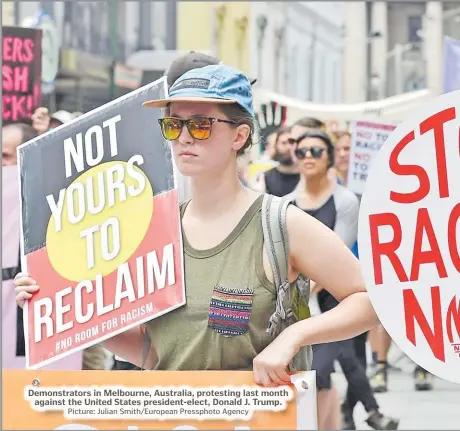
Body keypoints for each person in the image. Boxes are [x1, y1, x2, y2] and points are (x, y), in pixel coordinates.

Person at [15, 65, 379, 392]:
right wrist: (63, 312)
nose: (184, 137)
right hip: (174, 415)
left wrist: (296, 336)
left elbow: (370, 299)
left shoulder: (280, 223)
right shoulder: (152, 229)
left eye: (201, 124)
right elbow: (154, 352)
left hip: (259, 417)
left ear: (239, 137)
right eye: (173, 124)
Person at [286, 130, 398, 430]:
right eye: (301, 152)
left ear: (329, 158)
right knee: (339, 367)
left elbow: (337, 254)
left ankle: (366, 413)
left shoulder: (345, 201)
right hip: (294, 307)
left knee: (328, 369)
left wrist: (302, 290)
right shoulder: (282, 204)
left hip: (340, 300)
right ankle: (360, 415)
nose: (307, 157)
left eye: (316, 151)